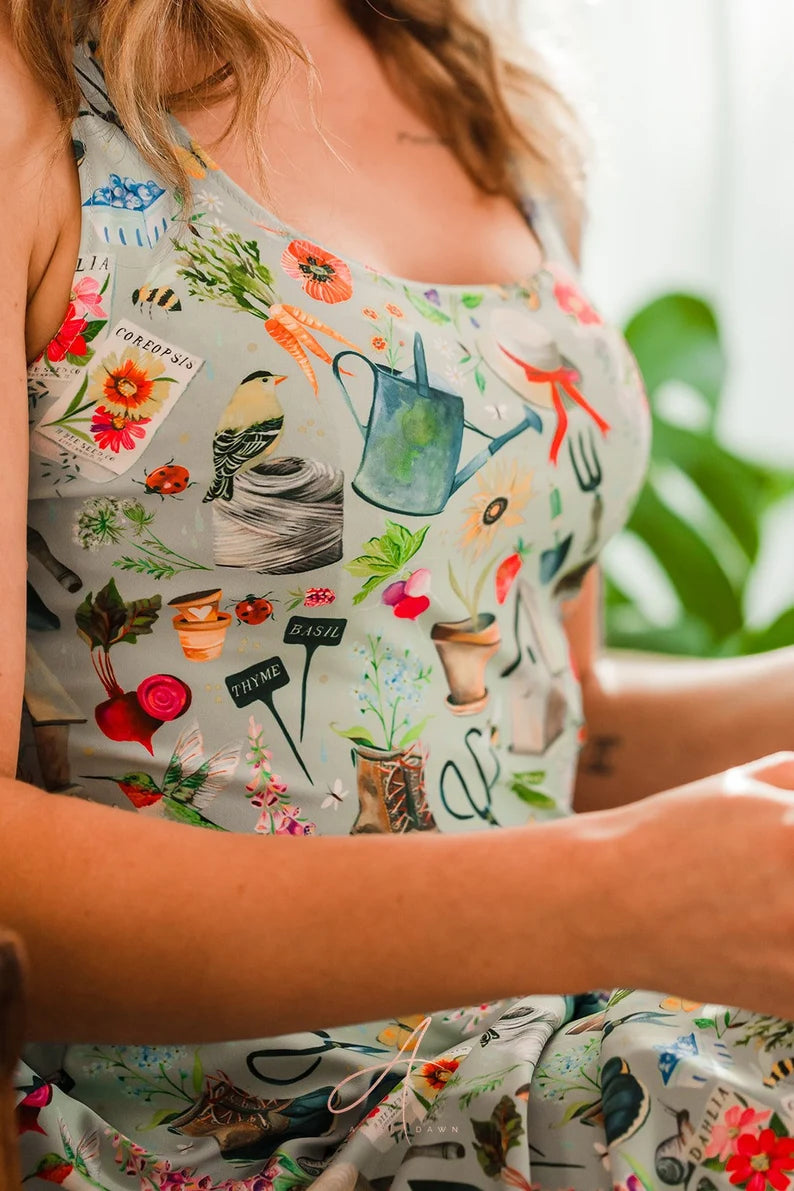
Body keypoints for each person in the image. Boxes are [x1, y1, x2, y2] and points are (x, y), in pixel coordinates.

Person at [4, 1, 794, 1188]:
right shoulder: (34, 89)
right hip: (233, 1141)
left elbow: (536, 721)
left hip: (532, 1063)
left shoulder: (477, 91)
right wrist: (615, 887)